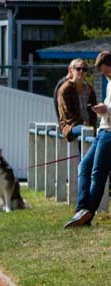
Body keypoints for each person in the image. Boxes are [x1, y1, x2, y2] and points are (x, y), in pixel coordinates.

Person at [64, 50, 111, 228]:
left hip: (110, 135)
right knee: (84, 166)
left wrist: (105, 109)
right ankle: (81, 209)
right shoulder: (109, 83)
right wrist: (102, 110)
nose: (106, 75)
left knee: (98, 174)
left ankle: (87, 215)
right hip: (103, 131)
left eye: (107, 71)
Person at [56, 58, 97, 142]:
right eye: (78, 69)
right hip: (71, 126)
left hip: (88, 125)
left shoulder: (89, 89)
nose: (81, 71)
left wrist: (92, 125)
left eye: (84, 69)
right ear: (72, 70)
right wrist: (83, 123)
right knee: (84, 129)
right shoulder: (65, 89)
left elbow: (93, 111)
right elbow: (66, 114)